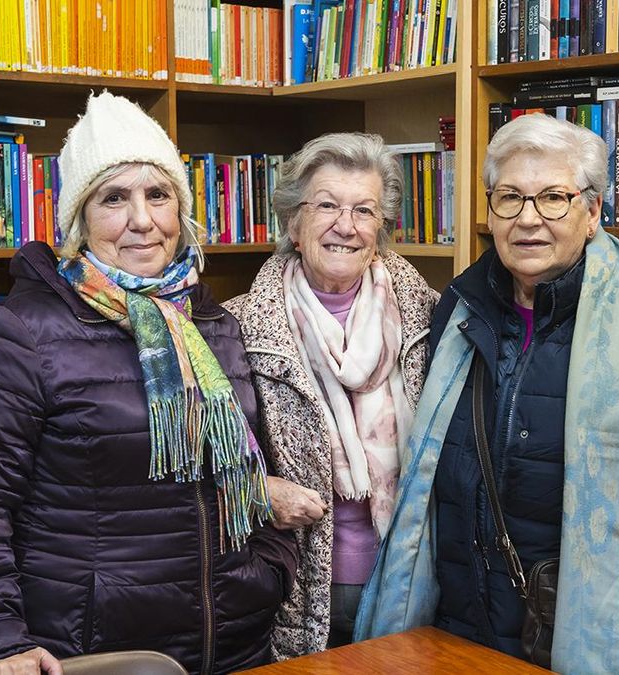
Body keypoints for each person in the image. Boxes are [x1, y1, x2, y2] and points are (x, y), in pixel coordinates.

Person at [355, 113, 619, 673]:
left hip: (605, 644)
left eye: (553, 198)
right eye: (509, 198)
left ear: (592, 213)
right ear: (490, 211)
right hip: (462, 635)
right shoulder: (455, 314)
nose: (529, 220)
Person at [0, 92, 297, 675]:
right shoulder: (22, 332)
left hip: (234, 643)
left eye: (158, 194)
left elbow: (247, 469)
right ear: (78, 220)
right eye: (114, 198)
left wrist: (270, 570)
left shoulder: (212, 324)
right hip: (101, 652)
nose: (142, 220)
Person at [223, 132, 439, 658]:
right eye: (326, 206)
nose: (346, 226)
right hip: (290, 590)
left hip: (415, 581)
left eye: (364, 210)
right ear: (294, 224)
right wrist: (257, 492)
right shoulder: (234, 329)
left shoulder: (433, 317)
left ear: (381, 231)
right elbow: (202, 469)